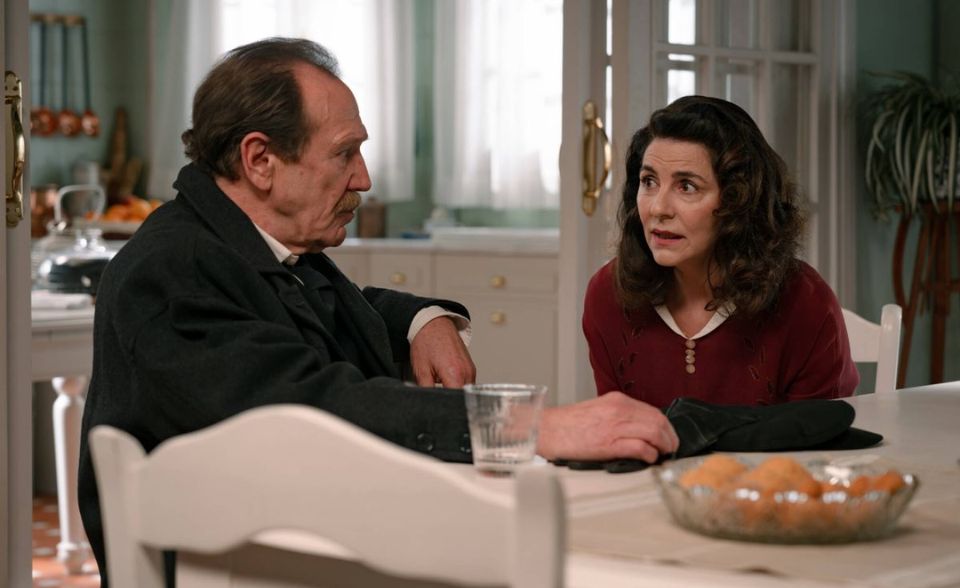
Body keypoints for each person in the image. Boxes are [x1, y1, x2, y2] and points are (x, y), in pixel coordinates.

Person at [78, 38, 678, 586]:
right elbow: (312, 408)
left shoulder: (249, 245)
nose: (363, 178)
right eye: (345, 153)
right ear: (259, 160)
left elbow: (331, 308)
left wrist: (424, 319)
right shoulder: (170, 272)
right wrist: (529, 427)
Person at [583, 95, 859, 409]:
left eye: (686, 186)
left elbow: (819, 436)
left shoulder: (805, 303)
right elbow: (618, 431)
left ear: (738, 201)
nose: (658, 208)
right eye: (649, 181)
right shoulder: (607, 294)